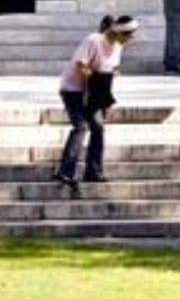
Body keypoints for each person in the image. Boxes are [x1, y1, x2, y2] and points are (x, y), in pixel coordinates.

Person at [52, 15, 137, 192]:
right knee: (81, 126)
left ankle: (94, 171)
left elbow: (108, 74)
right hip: (73, 89)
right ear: (119, 32)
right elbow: (80, 66)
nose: (131, 39)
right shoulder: (93, 40)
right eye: (128, 35)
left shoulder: (117, 47)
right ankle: (66, 170)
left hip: (94, 91)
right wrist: (93, 82)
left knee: (98, 127)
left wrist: (106, 101)